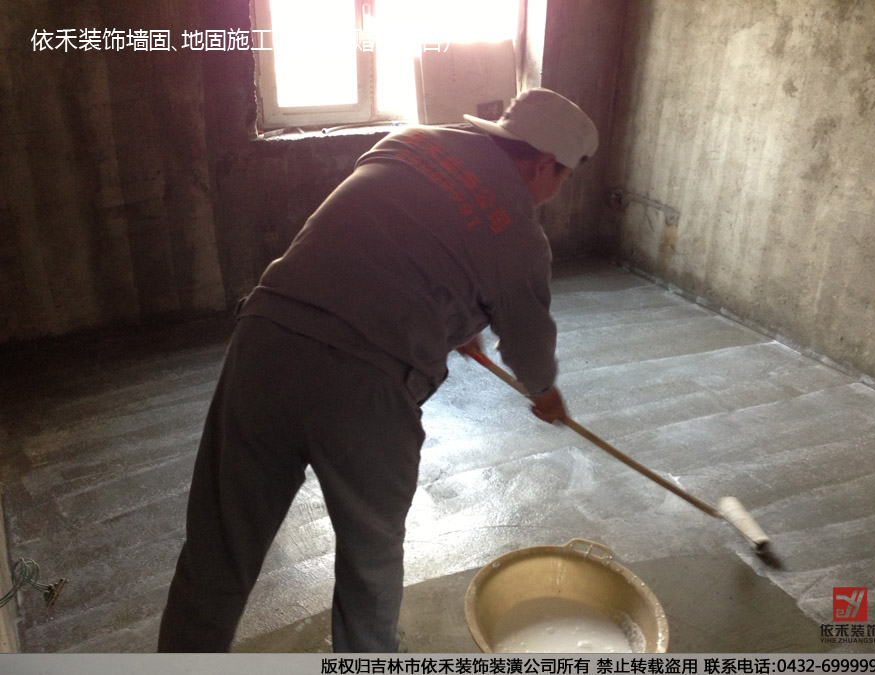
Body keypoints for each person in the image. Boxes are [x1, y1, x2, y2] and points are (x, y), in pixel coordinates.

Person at [157, 87, 599, 652]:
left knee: (219, 545)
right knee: (371, 556)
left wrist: (457, 317)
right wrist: (545, 392)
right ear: (543, 164)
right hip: (364, 386)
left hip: (266, 341)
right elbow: (529, 344)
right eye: (563, 179)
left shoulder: (409, 142)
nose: (555, 193)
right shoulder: (517, 235)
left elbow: (389, 236)